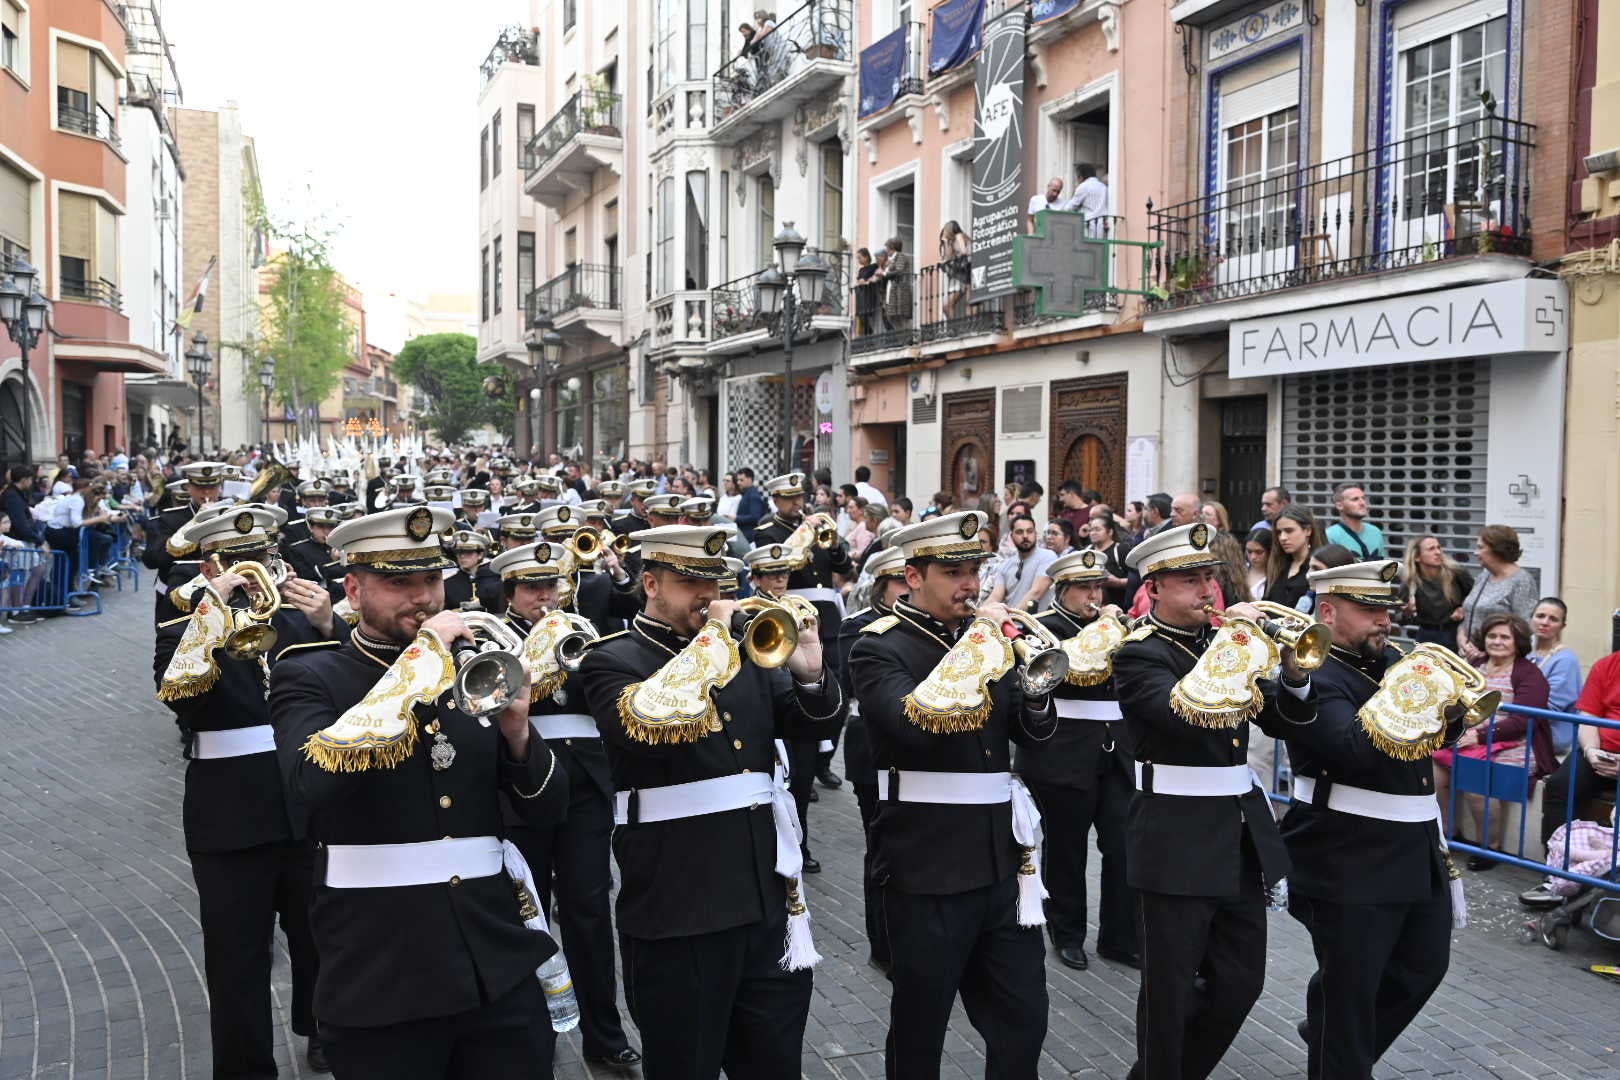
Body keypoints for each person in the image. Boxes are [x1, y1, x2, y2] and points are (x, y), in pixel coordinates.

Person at [268, 505, 570, 1078]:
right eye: (399, 583)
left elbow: (548, 811)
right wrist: (414, 668)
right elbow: (311, 786)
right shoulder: (309, 676)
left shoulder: (471, 674)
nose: (423, 598)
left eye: (431, 579)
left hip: (494, 965)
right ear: (353, 591)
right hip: (380, 971)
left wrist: (518, 733)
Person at [576, 524, 845, 1076]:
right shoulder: (613, 659)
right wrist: (715, 640)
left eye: (716, 583)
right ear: (651, 584)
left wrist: (812, 671)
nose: (708, 596)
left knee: (774, 1064)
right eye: (690, 583)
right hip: (678, 908)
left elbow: (810, 724)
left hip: (765, 901)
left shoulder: (745, 652)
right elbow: (642, 730)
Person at [848, 510, 1058, 1077]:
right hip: (926, 865)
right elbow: (911, 723)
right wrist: (980, 644)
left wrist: (1036, 693)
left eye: (974, 571)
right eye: (954, 572)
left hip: (1001, 862)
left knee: (1024, 1019)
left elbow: (1030, 733)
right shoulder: (879, 647)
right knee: (921, 1027)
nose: (970, 585)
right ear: (914, 577)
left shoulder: (986, 639)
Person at [1113, 522, 1313, 1080]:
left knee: (1241, 982)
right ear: (1154, 588)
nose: (1207, 591)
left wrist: (1293, 671)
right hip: (1173, 837)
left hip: (1237, 835)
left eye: (1211, 578)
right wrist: (1236, 644)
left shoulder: (1223, 643)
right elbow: (1184, 713)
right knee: (1169, 992)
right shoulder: (1138, 654)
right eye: (1191, 581)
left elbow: (1284, 719)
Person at [154, 505, 334, 1075]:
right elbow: (181, 698)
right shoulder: (181, 631)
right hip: (229, 817)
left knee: (320, 937)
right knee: (236, 958)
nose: (253, 571)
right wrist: (211, 611)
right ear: (210, 566)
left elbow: (349, 693)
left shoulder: (299, 622)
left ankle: (322, 1029)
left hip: (304, 806)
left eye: (261, 557)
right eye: (238, 561)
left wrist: (331, 625)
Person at [1280, 560, 1462, 1080]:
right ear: (1328, 612)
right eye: (1368, 610)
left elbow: (1425, 741)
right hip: (1346, 850)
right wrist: (1414, 699)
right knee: (1351, 993)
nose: (1384, 620)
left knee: (1422, 968)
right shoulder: (1312, 673)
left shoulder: (1391, 662)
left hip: (1415, 844)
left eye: (1386, 609)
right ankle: (1339, 1052)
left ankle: (1332, 1034)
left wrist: (1449, 714)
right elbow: (1351, 749)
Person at [491, 541, 642, 1071]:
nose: (545, 597)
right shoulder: (493, 639)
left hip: (583, 786)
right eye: (532, 588)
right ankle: (533, 1032)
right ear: (510, 593)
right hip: (520, 789)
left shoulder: (580, 628)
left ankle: (604, 1032)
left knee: (589, 911)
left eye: (550, 586)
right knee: (528, 912)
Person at [1018, 549, 1137, 972]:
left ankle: (1120, 937)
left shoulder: (1114, 626)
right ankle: (1067, 933)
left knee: (1122, 845)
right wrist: (1105, 627)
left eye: (1098, 587)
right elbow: (1058, 671)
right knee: (1067, 848)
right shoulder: (1042, 628)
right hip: (1063, 750)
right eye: (1084, 588)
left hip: (1115, 750)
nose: (1093, 596)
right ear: (1063, 590)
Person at [834, 546, 908, 972]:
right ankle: (882, 943)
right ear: (881, 586)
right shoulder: (857, 626)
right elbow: (854, 684)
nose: (905, 589)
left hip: (916, 751)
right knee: (880, 847)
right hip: (871, 745)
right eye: (898, 581)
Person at [1431, 613, 1554, 867]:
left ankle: (1489, 847)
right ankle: (1447, 834)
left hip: (1515, 741)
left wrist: (1479, 736)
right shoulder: (1475, 665)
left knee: (1477, 780)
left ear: (1518, 642)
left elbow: (1523, 721)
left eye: (1505, 637)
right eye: (1492, 636)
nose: (1497, 641)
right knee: (1434, 772)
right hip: (1469, 737)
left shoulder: (1529, 674)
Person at [1457, 525, 1539, 661]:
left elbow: (1525, 628)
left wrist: (1488, 651)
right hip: (1470, 659)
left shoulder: (1521, 581)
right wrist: (1461, 637)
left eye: (1480, 547)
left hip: (1499, 661)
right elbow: (1470, 615)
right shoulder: (1484, 576)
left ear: (1497, 549)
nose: (1475, 553)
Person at [1528, 598, 1583, 755]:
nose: (1545, 622)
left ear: (1562, 626)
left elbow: (1550, 707)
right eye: (1540, 616)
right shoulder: (1526, 654)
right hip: (1525, 728)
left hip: (1549, 737)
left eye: (1553, 619)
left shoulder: (1565, 659)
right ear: (1531, 618)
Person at [1400, 535, 1474, 647]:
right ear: (1417, 557)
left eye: (1438, 547)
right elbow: (1400, 620)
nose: (1438, 552)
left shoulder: (1456, 573)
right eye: (1431, 549)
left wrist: (1463, 608)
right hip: (1426, 636)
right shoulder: (1411, 581)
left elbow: (1476, 598)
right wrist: (1407, 612)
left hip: (1455, 633)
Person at [987, 514, 1057, 610]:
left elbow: (1036, 592)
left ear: (1036, 533)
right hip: (1010, 618)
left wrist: (1013, 616)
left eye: (1030, 531)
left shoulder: (1048, 556)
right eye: (1019, 532)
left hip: (1035, 619)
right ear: (1011, 536)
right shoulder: (1005, 565)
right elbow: (995, 597)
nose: (1025, 536)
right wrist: (980, 613)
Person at [1263, 506, 1322, 612]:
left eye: (1289, 531)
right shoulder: (1276, 565)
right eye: (1279, 532)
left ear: (1308, 530)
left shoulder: (1319, 566)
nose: (1283, 537)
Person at [443, 530, 504, 612]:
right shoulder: (448, 582)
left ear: (480, 555)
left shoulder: (496, 576)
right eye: (459, 552)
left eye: (468, 552)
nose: (462, 556)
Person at [1324, 483, 1385, 560]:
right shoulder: (1330, 536)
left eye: (1363, 498)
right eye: (1355, 499)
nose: (1362, 503)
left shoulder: (1375, 532)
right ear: (1339, 506)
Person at [939, 220, 972, 318]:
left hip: (965, 272)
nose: (944, 232)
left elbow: (963, 252)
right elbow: (948, 257)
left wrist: (946, 242)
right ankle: (965, 325)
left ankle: (955, 326)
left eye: (945, 230)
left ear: (950, 230)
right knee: (969, 303)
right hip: (966, 272)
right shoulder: (955, 240)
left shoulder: (959, 236)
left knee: (949, 305)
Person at [880, 237, 913, 329]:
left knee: (899, 315)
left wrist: (884, 273)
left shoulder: (900, 256)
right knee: (890, 316)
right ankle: (901, 334)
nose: (886, 251)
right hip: (892, 290)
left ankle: (906, 335)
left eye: (887, 248)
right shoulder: (891, 259)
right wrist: (885, 268)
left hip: (899, 290)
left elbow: (899, 271)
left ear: (892, 247)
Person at [1063, 162, 1108, 227]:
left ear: (1081, 177)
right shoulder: (1104, 187)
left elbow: (1069, 208)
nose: (1077, 180)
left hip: (1088, 224)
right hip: (1102, 225)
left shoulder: (1083, 186)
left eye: (1077, 177)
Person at [733, 467, 767, 540]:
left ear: (749, 479)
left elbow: (755, 517)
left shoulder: (753, 495)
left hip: (750, 536)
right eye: (738, 480)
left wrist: (736, 518)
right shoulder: (746, 493)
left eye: (741, 480)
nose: (738, 482)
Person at [854, 247, 879, 335]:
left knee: (865, 315)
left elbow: (863, 279)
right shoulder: (861, 270)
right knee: (861, 316)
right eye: (857, 258)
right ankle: (868, 334)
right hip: (861, 295)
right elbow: (859, 281)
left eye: (859, 258)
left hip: (868, 295)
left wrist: (864, 281)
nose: (858, 260)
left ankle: (870, 333)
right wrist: (865, 281)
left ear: (866, 257)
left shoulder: (873, 266)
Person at [1243, 528, 1272, 600]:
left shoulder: (1277, 576)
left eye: (1259, 552)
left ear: (1270, 551)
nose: (1253, 557)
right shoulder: (1240, 571)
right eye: (1249, 551)